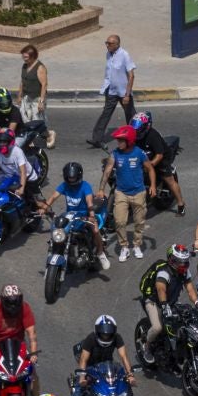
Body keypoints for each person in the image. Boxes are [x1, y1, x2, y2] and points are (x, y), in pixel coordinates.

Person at [139, 243, 198, 362]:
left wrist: (197, 302)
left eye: (185, 261)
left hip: (170, 304)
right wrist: (164, 305)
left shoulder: (185, 273)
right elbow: (160, 288)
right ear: (172, 260)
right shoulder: (164, 272)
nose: (183, 264)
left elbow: (190, 289)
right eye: (180, 261)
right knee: (157, 327)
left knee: (184, 322)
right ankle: (146, 347)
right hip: (153, 302)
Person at [104, 126, 154, 261]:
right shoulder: (115, 154)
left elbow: (150, 169)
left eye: (121, 140)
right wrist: (101, 189)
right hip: (121, 193)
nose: (118, 143)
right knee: (119, 221)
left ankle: (137, 244)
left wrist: (153, 186)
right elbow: (108, 170)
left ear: (130, 141)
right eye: (118, 140)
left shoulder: (139, 153)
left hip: (139, 193)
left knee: (139, 222)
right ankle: (124, 247)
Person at [53, 160, 111, 271]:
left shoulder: (85, 186)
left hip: (84, 216)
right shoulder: (64, 186)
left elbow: (89, 202)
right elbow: (53, 197)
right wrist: (44, 208)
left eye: (73, 177)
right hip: (70, 217)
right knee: (59, 230)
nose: (71, 180)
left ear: (78, 176)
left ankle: (100, 252)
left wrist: (92, 216)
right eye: (69, 178)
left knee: (94, 230)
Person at [88, 34, 137, 146]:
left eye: (110, 43)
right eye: (106, 43)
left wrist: (127, 95)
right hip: (111, 91)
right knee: (106, 114)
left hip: (124, 92)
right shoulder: (108, 54)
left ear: (117, 44)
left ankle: (137, 136)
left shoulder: (125, 55)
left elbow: (131, 76)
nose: (107, 45)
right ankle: (97, 139)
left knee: (131, 115)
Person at [18, 44, 53, 146]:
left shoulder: (40, 67)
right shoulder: (24, 66)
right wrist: (19, 95)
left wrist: (41, 102)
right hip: (26, 97)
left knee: (36, 121)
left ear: (33, 57)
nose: (24, 59)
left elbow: (44, 84)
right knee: (25, 120)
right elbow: (22, 81)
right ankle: (31, 140)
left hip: (36, 98)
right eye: (23, 57)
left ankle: (49, 135)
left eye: (26, 57)